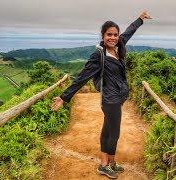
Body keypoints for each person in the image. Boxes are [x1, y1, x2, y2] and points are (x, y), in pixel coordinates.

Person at [51, 11, 152, 179]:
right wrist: (64, 97)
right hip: (109, 100)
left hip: (117, 98)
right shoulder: (99, 55)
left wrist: (139, 20)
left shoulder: (119, 46)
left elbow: (128, 32)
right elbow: (83, 76)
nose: (112, 37)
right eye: (109, 35)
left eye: (115, 34)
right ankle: (105, 165)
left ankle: (109, 163)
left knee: (107, 130)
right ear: (102, 36)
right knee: (114, 133)